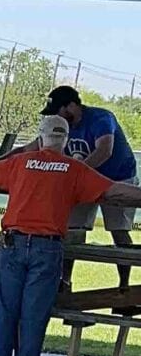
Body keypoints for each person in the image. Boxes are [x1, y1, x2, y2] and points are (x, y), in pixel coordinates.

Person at [0, 113, 141, 356]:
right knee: (34, 315)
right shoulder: (74, 169)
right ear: (66, 140)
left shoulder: (19, 163)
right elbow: (116, 192)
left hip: (12, 244)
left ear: (40, 138)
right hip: (47, 248)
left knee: (6, 311)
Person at [46, 84, 136, 243]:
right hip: (84, 181)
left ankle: (124, 266)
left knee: (119, 231)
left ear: (72, 106)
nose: (56, 118)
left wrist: (74, 173)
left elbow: (104, 151)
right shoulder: (62, 126)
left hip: (118, 178)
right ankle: (65, 269)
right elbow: (34, 147)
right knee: (73, 230)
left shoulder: (101, 118)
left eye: (58, 112)